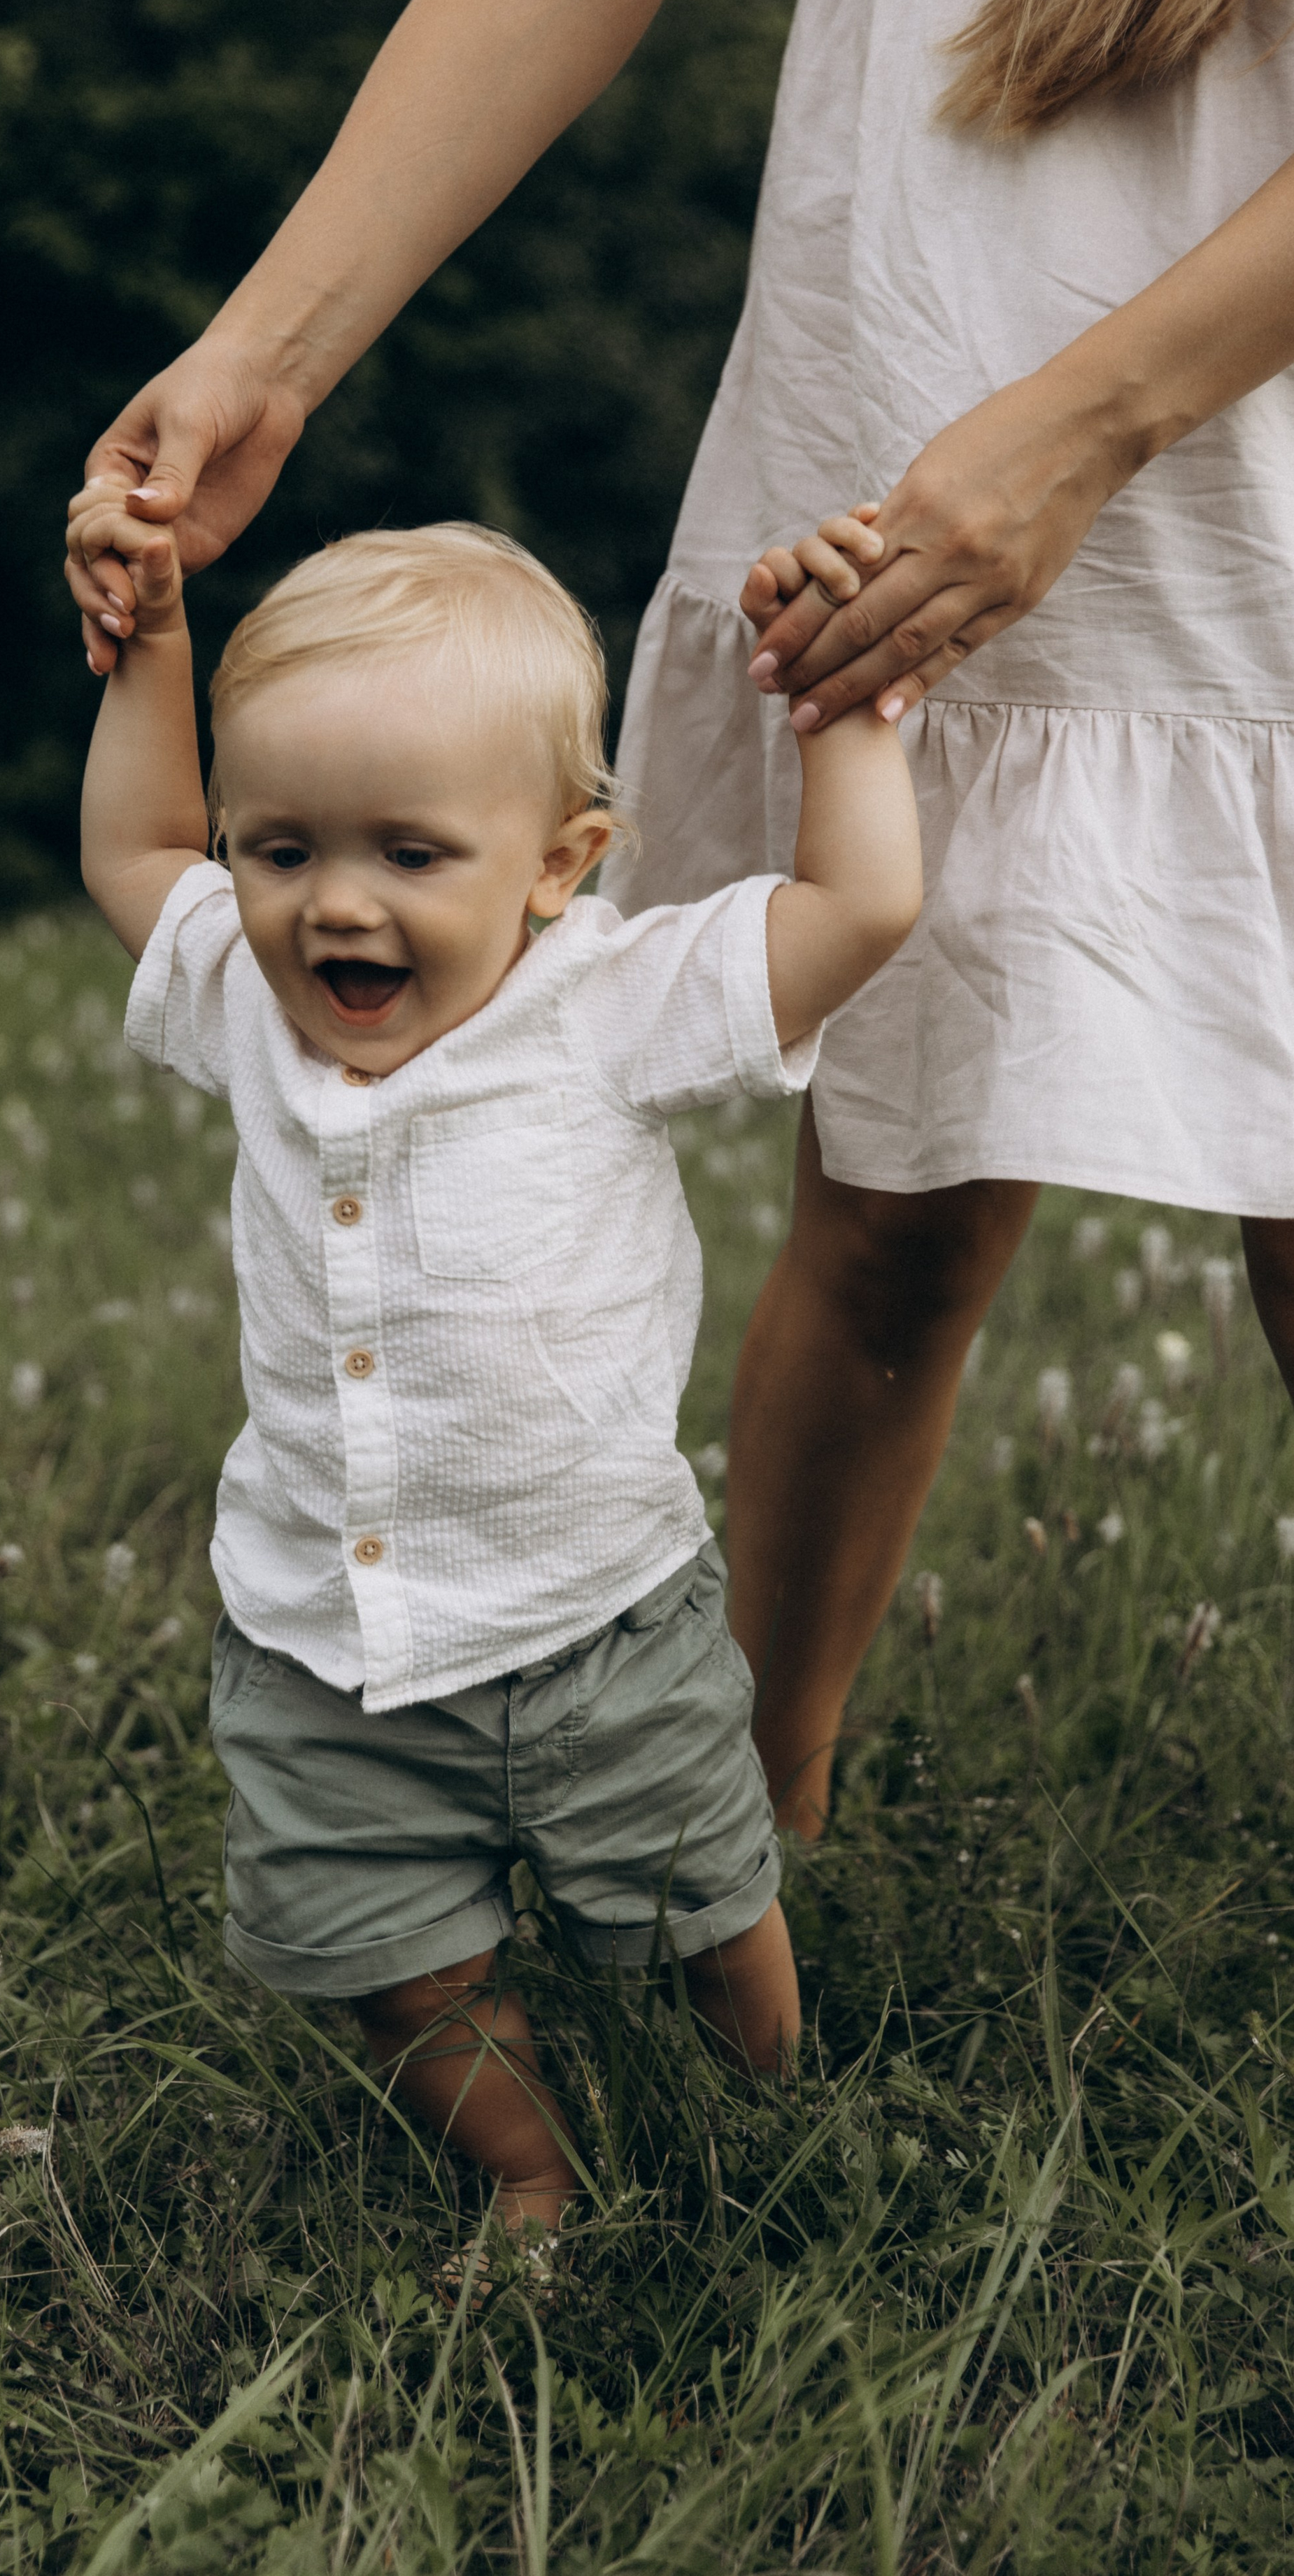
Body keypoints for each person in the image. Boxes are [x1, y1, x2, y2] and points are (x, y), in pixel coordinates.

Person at [67, 0, 1294, 1842]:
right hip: (911, 348)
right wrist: (264, 358)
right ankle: (745, 1827)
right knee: (896, 1191)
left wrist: (1090, 424)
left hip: (1247, 439)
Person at [78, 503, 920, 2242]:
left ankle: (767, 2110)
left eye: (407, 853)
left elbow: (858, 906)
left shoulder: (608, 1001)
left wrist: (845, 718)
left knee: (703, 1898)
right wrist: (154, 643)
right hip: (328, 1640)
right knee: (393, 1959)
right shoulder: (242, 988)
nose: (334, 906)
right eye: (284, 846)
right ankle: (524, 2168)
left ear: (558, 861)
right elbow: (132, 847)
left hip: (594, 1614)